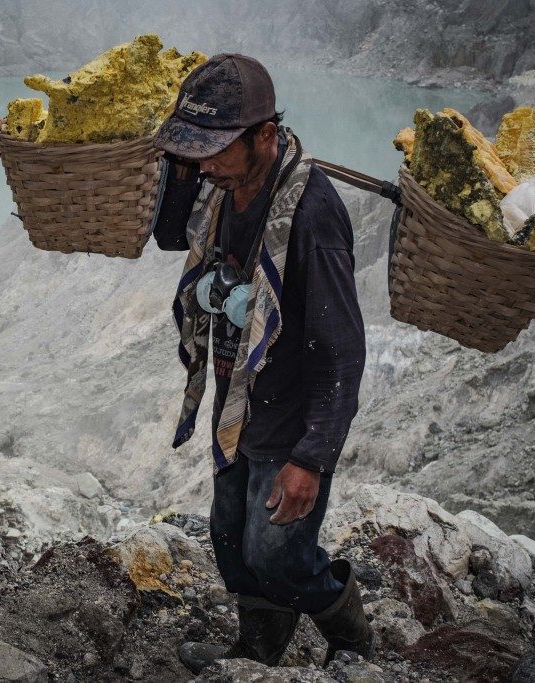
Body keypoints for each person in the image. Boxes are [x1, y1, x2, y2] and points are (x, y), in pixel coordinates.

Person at [150, 53, 373, 673]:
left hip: (291, 414)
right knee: (230, 539)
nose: (205, 163)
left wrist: (312, 458)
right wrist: (173, 168)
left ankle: (352, 636)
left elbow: (340, 348)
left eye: (217, 149)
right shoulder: (218, 188)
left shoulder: (312, 214)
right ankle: (256, 650)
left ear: (266, 137)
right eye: (195, 149)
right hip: (237, 398)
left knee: (276, 552)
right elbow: (171, 236)